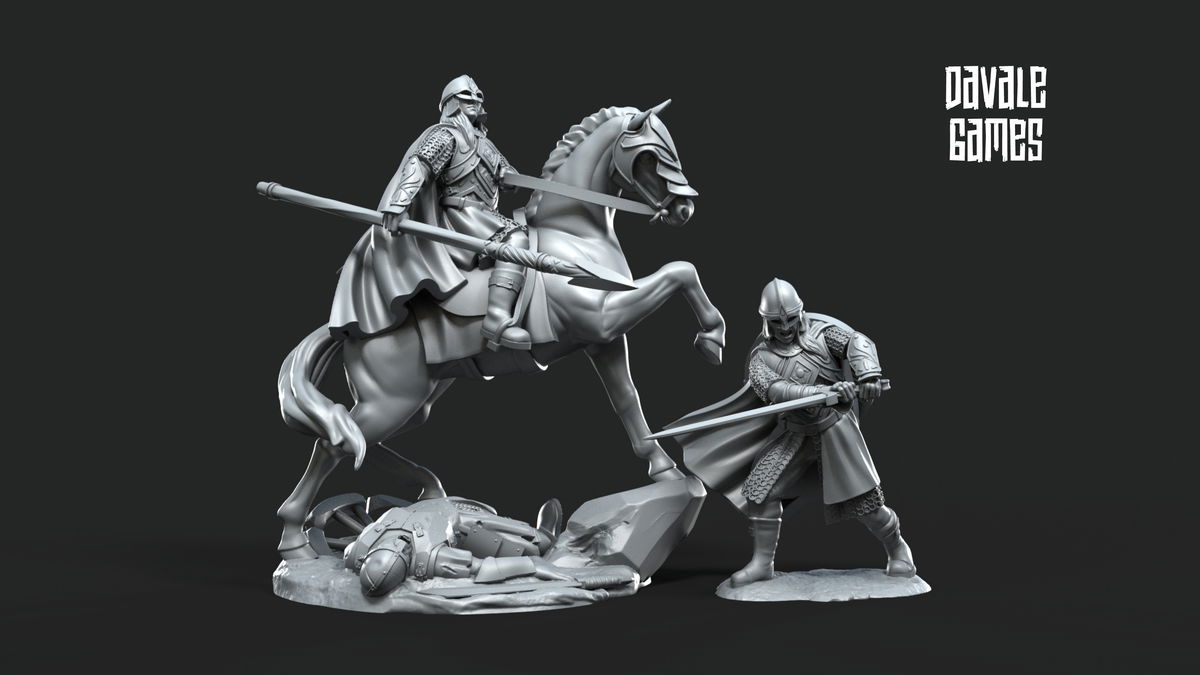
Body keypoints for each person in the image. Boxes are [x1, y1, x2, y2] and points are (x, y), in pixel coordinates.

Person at [674, 278, 916, 586]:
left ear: (800, 313)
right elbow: (774, 390)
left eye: (790, 319)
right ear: (766, 321)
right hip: (795, 432)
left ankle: (898, 549)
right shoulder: (762, 357)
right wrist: (817, 392)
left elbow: (857, 341)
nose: (786, 327)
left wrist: (867, 375)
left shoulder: (822, 335)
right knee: (760, 490)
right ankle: (763, 564)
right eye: (777, 322)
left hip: (834, 428)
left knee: (866, 504)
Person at [329, 75, 532, 350]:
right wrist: (398, 203)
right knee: (517, 239)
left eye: (478, 97)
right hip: (460, 217)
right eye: (466, 97)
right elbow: (420, 166)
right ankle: (497, 318)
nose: (474, 101)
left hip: (486, 215)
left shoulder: (485, 143)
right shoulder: (445, 135)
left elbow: (505, 175)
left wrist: (510, 177)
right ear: (452, 104)